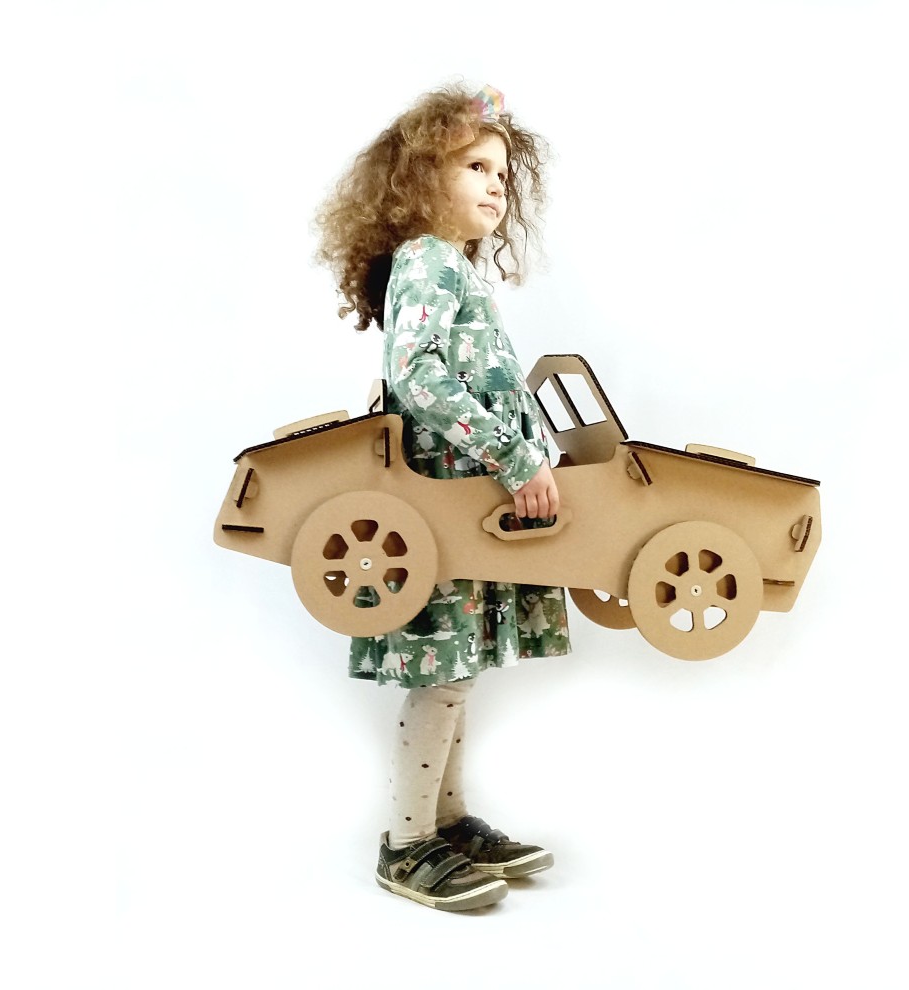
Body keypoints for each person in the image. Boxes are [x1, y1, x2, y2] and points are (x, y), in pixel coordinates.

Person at [316, 84, 570, 911]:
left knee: (459, 669)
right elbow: (416, 375)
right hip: (441, 502)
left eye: (502, 173)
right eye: (475, 167)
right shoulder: (426, 260)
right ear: (423, 178)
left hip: (469, 503)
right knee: (444, 673)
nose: (496, 184)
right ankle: (407, 843)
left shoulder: (451, 267)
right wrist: (514, 458)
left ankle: (446, 823)